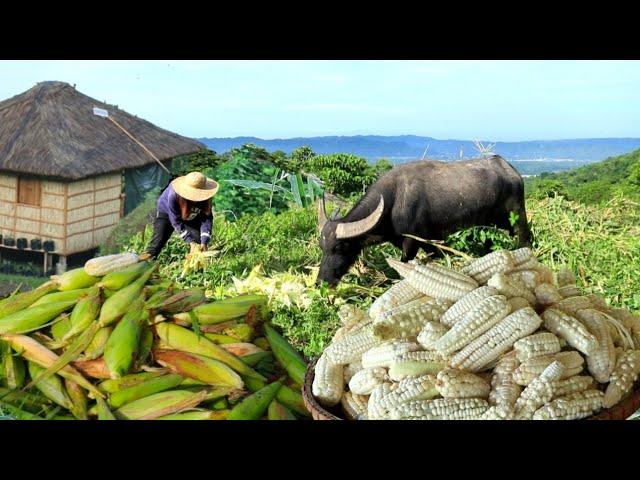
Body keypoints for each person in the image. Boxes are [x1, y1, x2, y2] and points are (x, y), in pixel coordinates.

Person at [139, 171, 219, 261]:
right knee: (157, 243)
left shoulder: (205, 198)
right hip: (166, 212)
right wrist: (190, 241)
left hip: (189, 214)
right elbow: (175, 221)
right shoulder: (173, 196)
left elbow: (206, 219)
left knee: (199, 244)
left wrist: (204, 241)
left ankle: (195, 268)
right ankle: (145, 262)